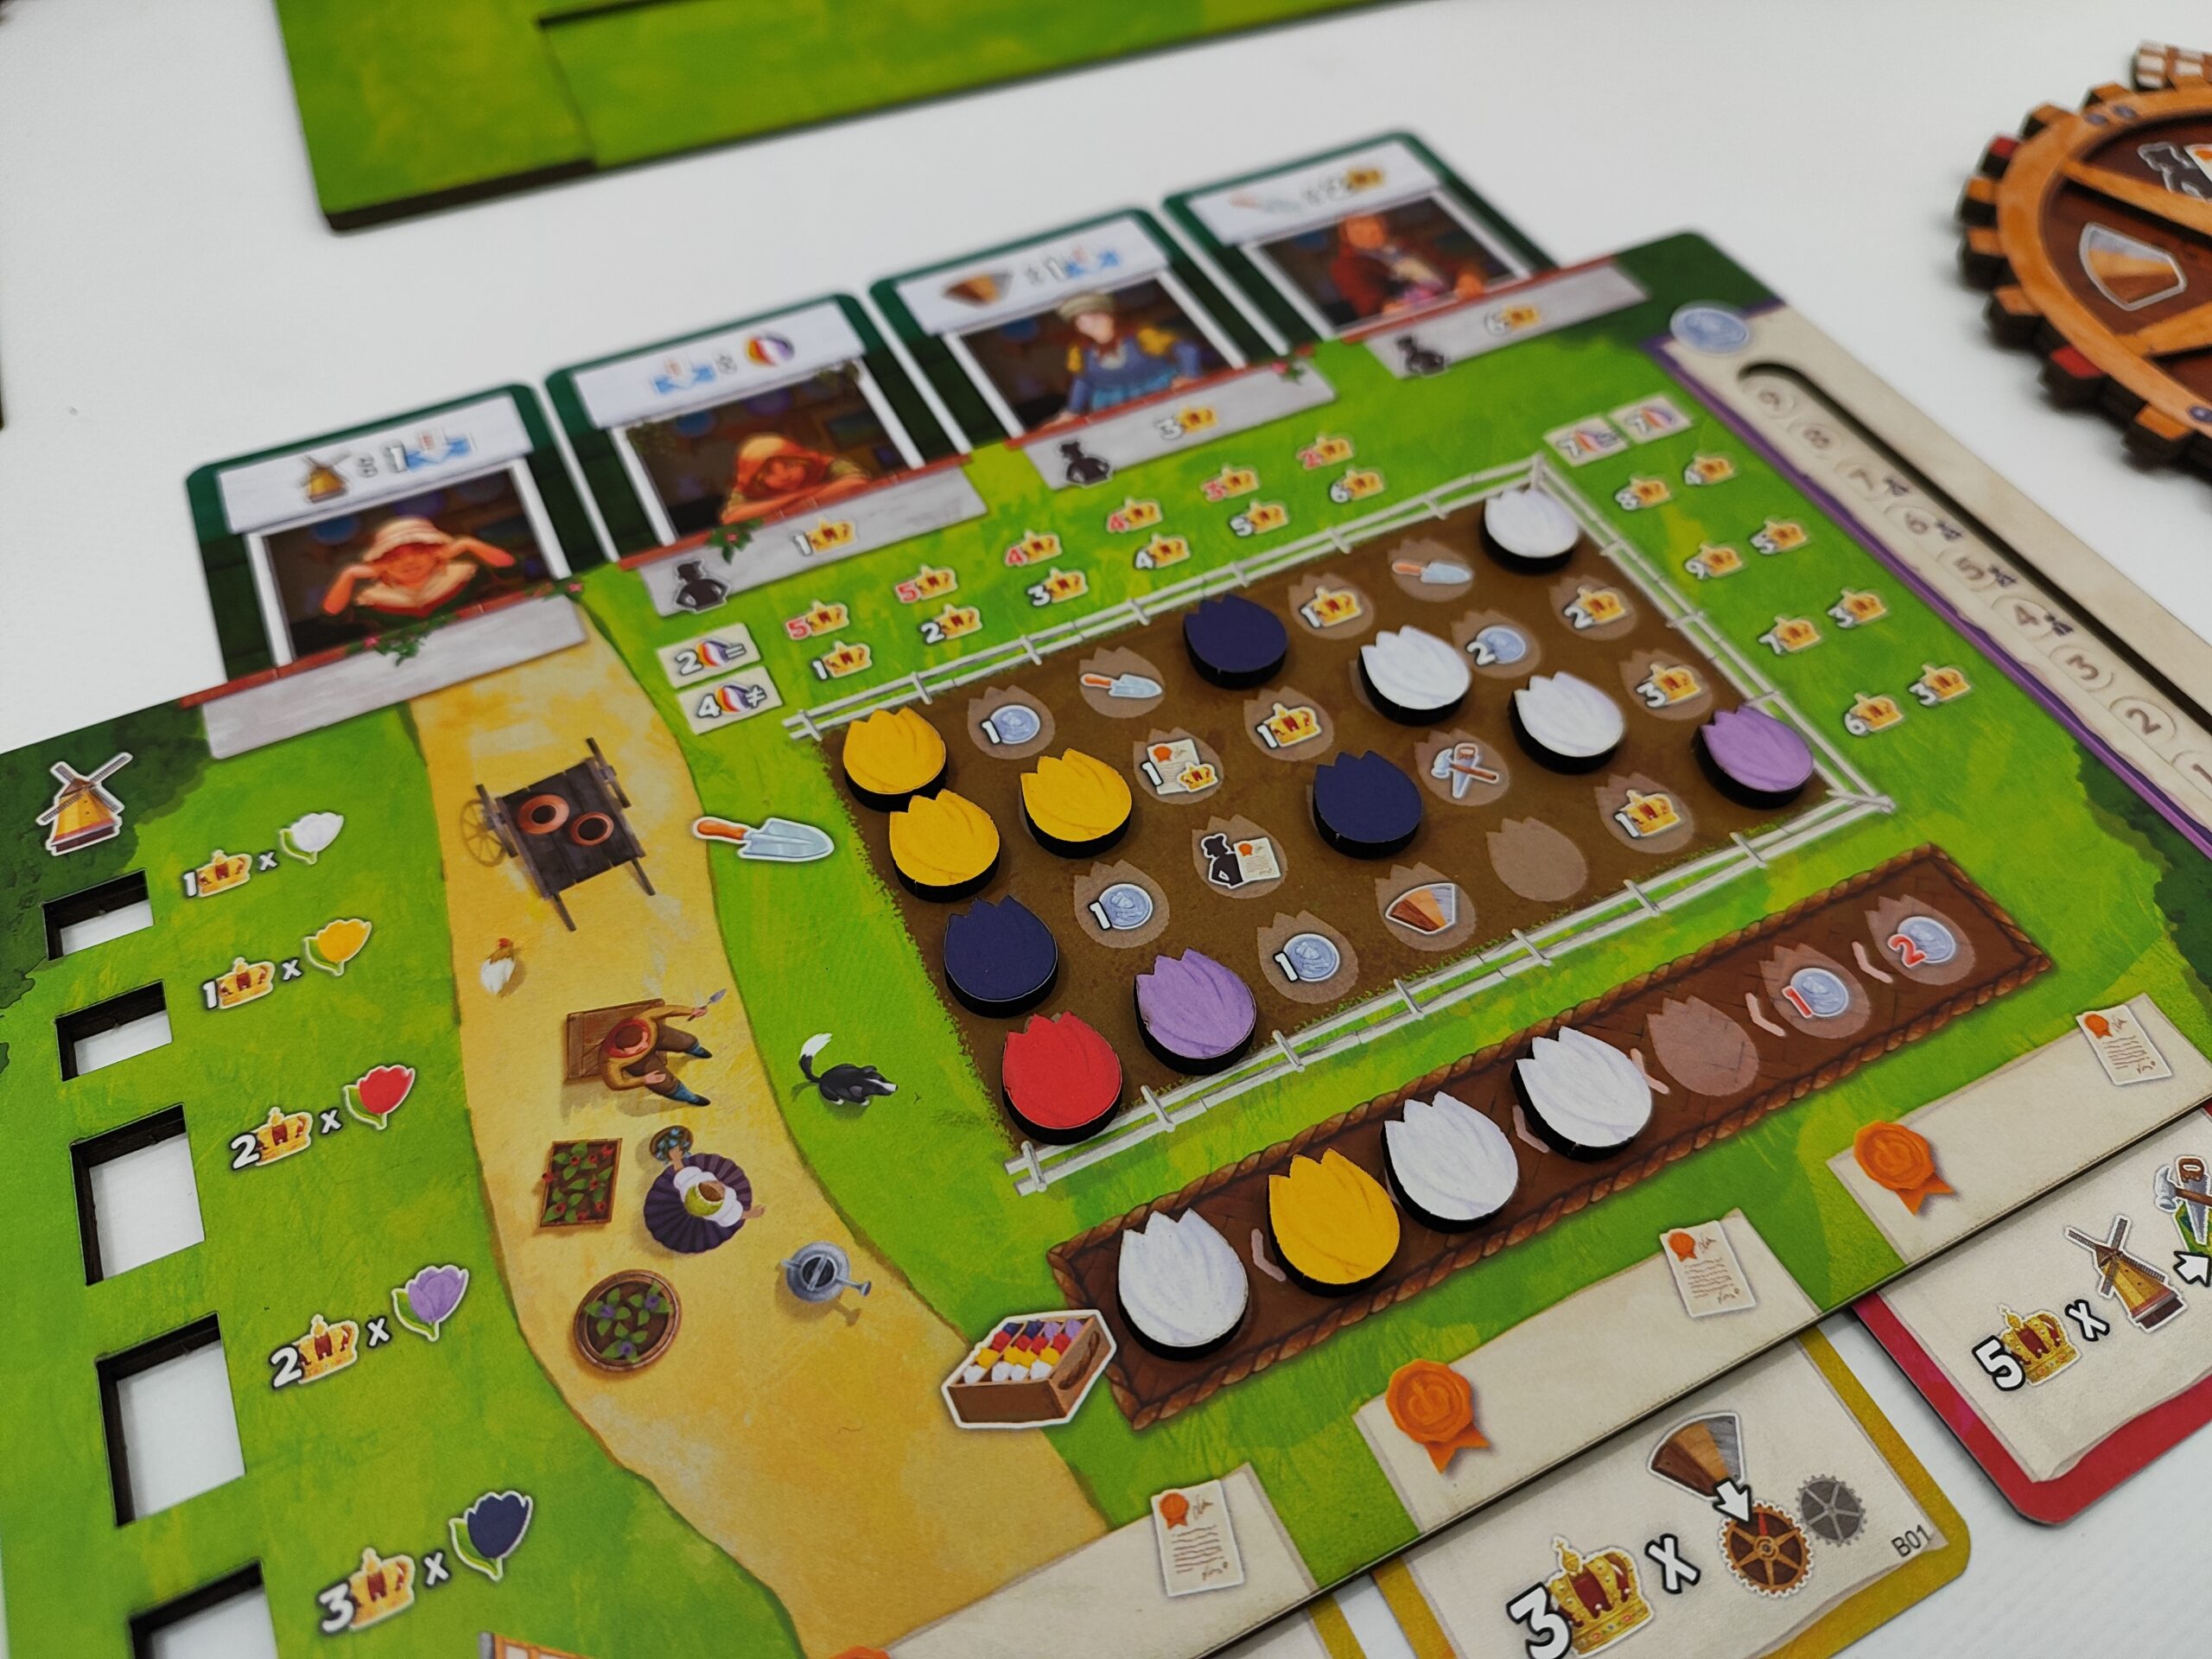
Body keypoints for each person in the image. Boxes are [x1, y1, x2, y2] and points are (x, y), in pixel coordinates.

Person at [320, 515, 519, 620]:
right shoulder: (370, 599)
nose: (409, 562)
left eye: (418, 551)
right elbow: (332, 618)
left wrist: (468, 544)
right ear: (380, 564)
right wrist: (349, 574)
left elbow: (514, 569)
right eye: (394, 557)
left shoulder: (466, 574)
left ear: (436, 551)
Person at [1049, 292, 1204, 423]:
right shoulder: (1081, 352)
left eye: (1096, 318)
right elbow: (1083, 382)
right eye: (1081, 322)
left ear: (1110, 317)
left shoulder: (1143, 336)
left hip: (1162, 394)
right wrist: (1072, 411)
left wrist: (1190, 375)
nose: (1091, 325)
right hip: (1115, 408)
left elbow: (1187, 349)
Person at [1328, 212, 1486, 321]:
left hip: (1462, 304)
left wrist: (1468, 275)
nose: (1372, 228)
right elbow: (1370, 305)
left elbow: (1456, 264)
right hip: (1420, 320)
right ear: (1344, 234)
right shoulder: (1347, 266)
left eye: (1374, 219)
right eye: (1359, 224)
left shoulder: (1409, 242)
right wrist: (1387, 308)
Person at [717, 433, 872, 525]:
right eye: (769, 473)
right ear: (758, 480)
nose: (784, 476)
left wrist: (804, 497)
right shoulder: (748, 486)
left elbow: (857, 482)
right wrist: (797, 497)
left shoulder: (824, 463)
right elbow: (732, 517)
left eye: (790, 465)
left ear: (803, 461)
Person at [600, 1002, 717, 1106]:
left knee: (687, 1040)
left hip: (658, 1036)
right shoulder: (611, 1061)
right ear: (622, 1051)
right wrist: (644, 1079)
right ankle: (690, 1098)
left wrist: (692, 1011)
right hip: (639, 1062)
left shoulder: (643, 1020)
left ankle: (696, 1050)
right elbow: (616, 1083)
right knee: (664, 1084)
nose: (645, 1046)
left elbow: (668, 1010)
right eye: (638, 1048)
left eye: (645, 1040)